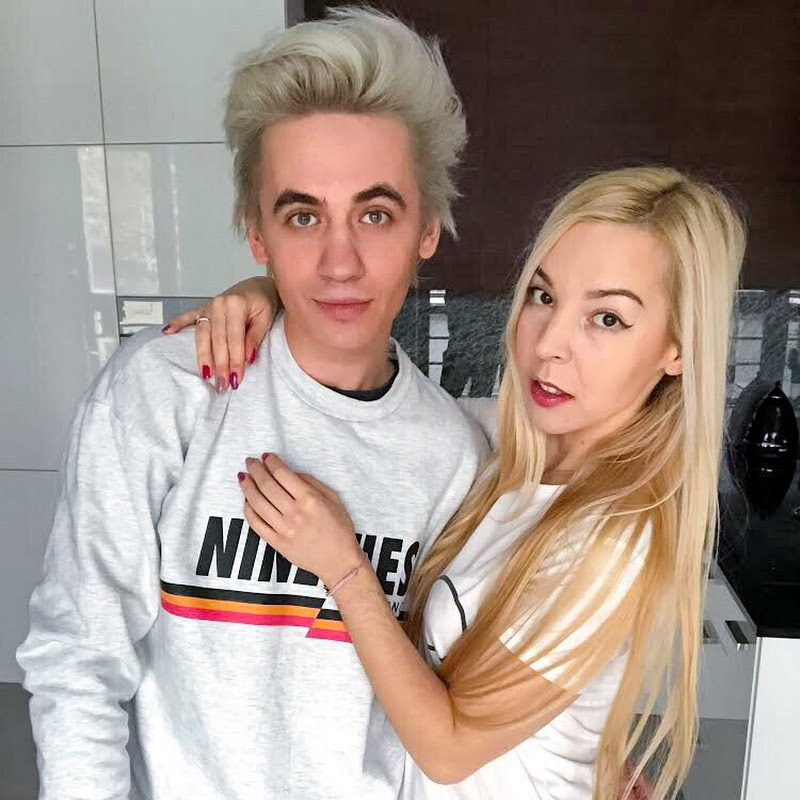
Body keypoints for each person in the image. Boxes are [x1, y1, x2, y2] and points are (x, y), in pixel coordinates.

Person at [17, 9, 488, 799]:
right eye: (303, 216)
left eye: (375, 214)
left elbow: (446, 708)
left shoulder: (454, 458)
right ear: (257, 235)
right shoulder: (165, 392)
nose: (340, 261)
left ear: (427, 230)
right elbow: (79, 660)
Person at [166, 166, 745, 799]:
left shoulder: (611, 541)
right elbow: (394, 403)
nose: (550, 345)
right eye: (544, 296)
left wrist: (343, 569)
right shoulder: (504, 447)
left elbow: (447, 751)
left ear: (677, 347)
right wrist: (267, 294)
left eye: (607, 319)